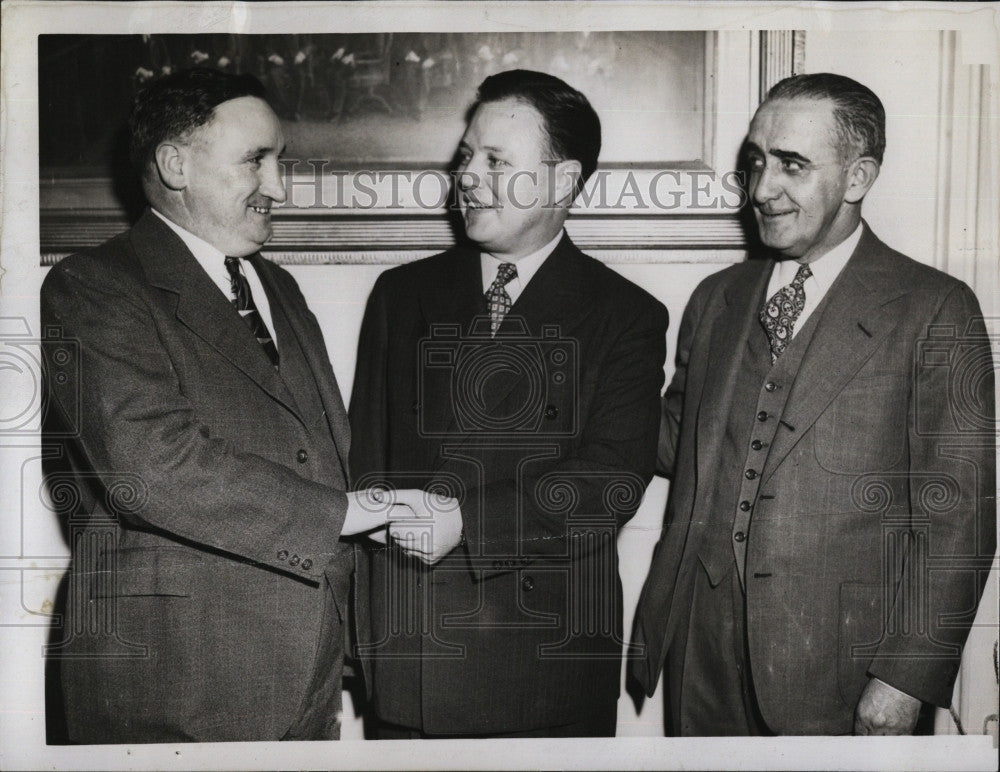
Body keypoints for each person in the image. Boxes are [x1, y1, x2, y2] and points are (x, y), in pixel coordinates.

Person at [41, 67, 442, 743]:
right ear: (175, 164)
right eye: (256, 160)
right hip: (175, 679)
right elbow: (155, 466)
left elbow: (318, 449)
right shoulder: (94, 287)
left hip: (304, 672)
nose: (279, 186)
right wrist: (354, 511)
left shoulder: (277, 286)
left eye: (279, 160)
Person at [629, 72, 996, 736]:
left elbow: (960, 523)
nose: (763, 188)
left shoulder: (937, 308)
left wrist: (903, 679)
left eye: (792, 165)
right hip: (700, 658)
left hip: (843, 674)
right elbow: (671, 439)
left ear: (857, 178)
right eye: (757, 162)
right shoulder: (716, 298)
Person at [349, 69, 668, 738]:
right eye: (467, 155)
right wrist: (359, 643)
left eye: (495, 160)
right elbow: (365, 472)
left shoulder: (626, 315)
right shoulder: (401, 295)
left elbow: (610, 483)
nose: (467, 175)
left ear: (561, 181)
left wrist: (468, 522)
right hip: (412, 659)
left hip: (542, 670)